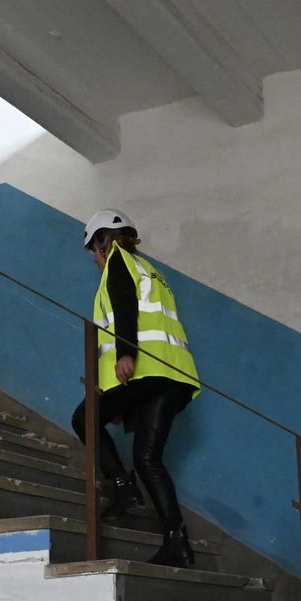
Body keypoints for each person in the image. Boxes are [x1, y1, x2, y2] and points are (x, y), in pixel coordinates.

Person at [71, 210, 200, 567]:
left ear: (103, 241)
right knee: (147, 458)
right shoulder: (153, 272)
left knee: (84, 418)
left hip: (147, 370)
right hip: (173, 374)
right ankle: (178, 542)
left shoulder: (118, 262)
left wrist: (126, 354)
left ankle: (123, 488)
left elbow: (126, 308)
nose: (95, 260)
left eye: (94, 251)